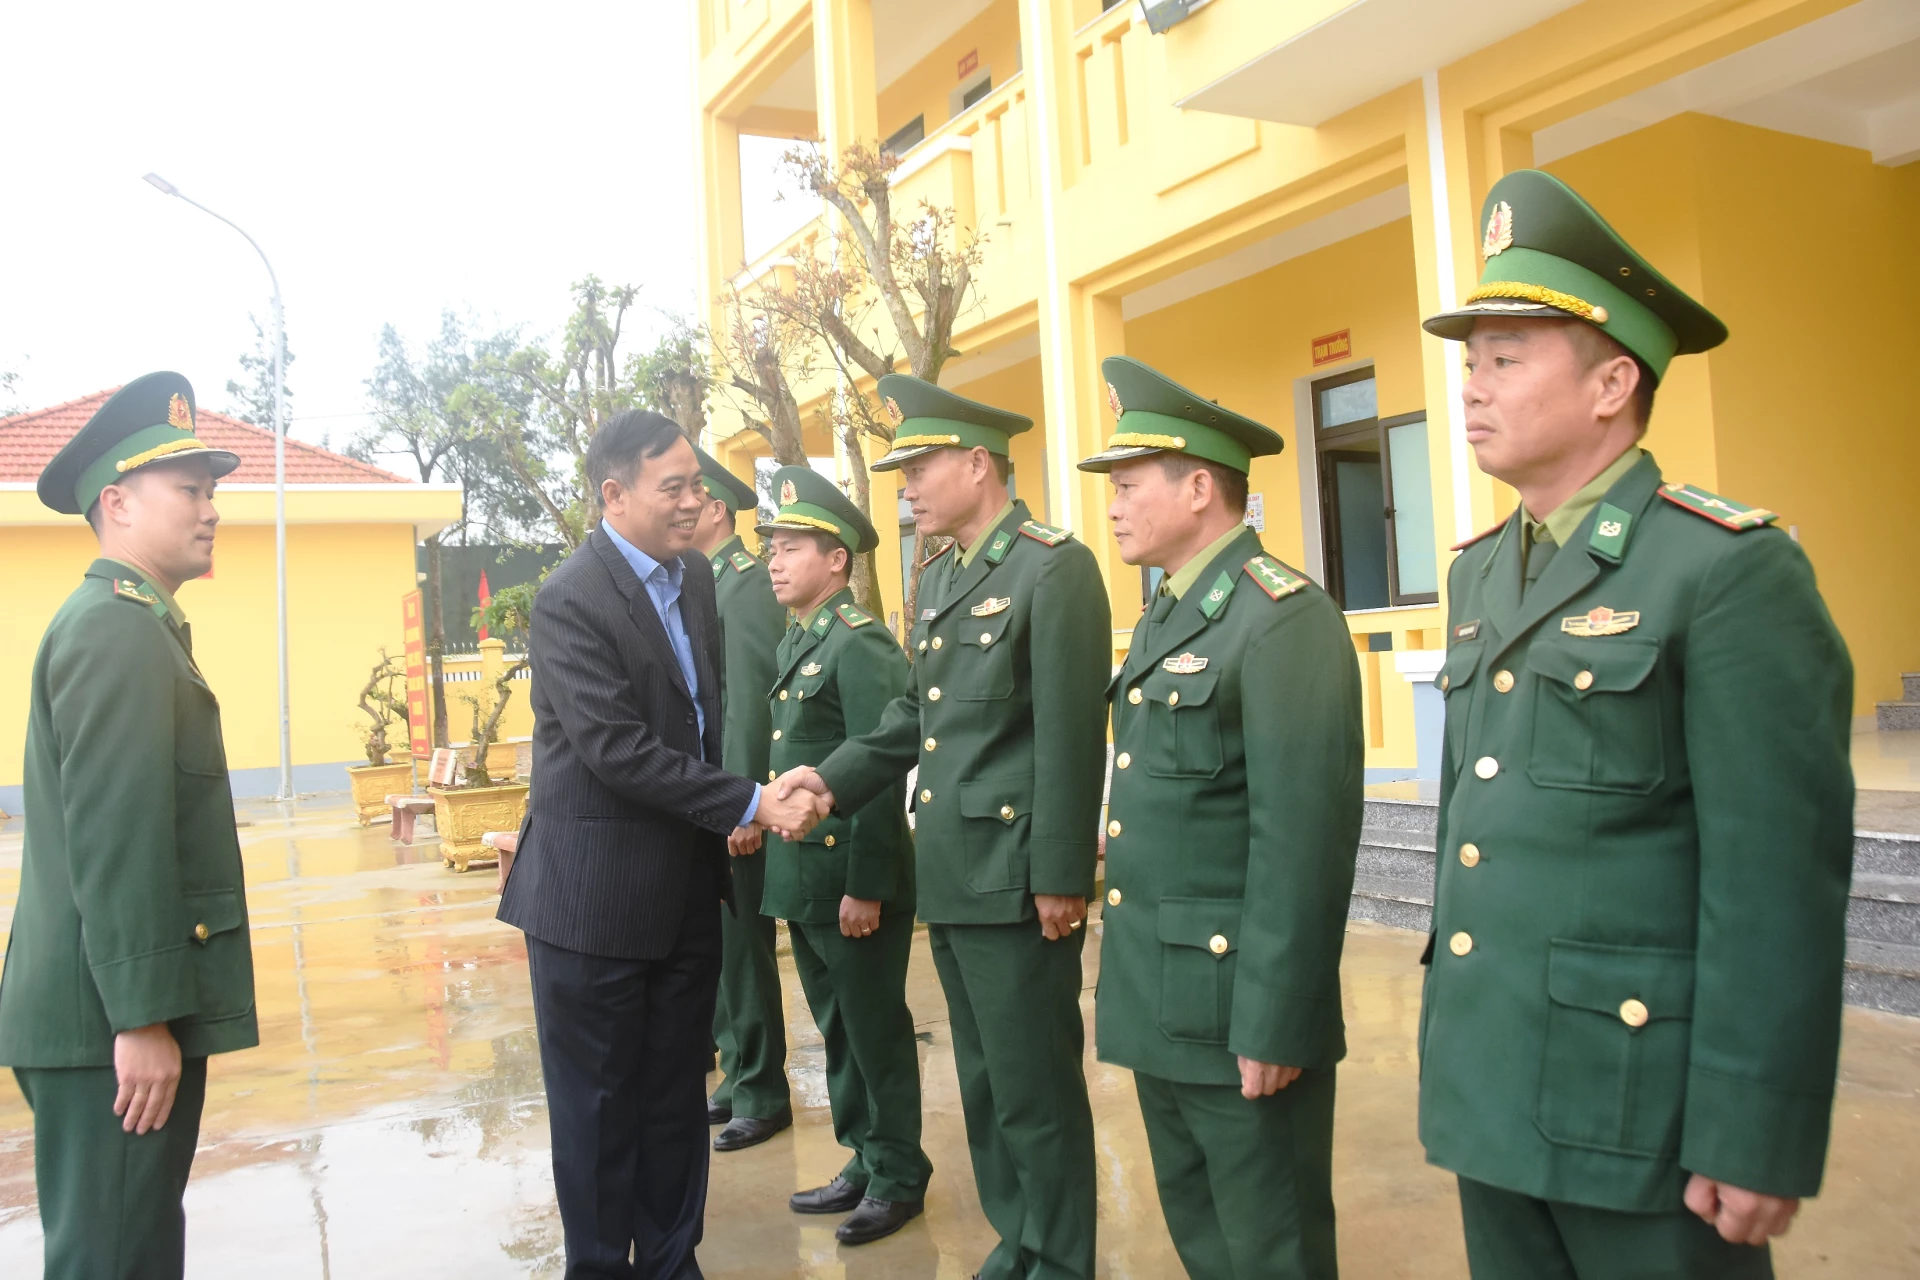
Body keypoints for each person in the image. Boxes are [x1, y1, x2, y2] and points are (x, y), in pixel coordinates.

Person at [1417, 169, 1854, 1279]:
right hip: (1492, 1084)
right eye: (1470, 363)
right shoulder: (1478, 573)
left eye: (1506, 359)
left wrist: (1755, 1126)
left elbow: (1775, 880)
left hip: (1639, 1108)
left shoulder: (1723, 568)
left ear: (1613, 382)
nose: (1471, 387)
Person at [775, 375, 1111, 1280]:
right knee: (987, 1084)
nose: (908, 488)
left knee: (1036, 1089)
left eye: (920, 468)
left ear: (978, 464)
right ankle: (1019, 1241)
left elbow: (1071, 734)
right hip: (957, 874)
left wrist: (1062, 875)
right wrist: (828, 780)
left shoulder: (1053, 567)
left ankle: (1060, 1259)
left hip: (1019, 877)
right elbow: (912, 721)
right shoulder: (946, 576)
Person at [496, 410, 824, 1279]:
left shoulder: (698, 580)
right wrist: (750, 801)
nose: (692, 501)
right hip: (591, 907)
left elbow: (699, 722)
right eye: (672, 487)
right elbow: (618, 750)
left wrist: (738, 803)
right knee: (601, 1118)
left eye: (696, 484)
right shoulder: (571, 600)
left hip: (682, 894)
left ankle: (674, 1265)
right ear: (615, 495)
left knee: (676, 1102)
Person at [1078, 357, 1364, 1279]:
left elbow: (1303, 843)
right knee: (1203, 1238)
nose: (1113, 508)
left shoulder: (1280, 618)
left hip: (1236, 1009)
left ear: (1199, 488)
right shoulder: (1168, 615)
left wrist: (1277, 1019)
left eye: (1128, 487)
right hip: (1161, 999)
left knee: (1270, 1246)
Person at [0, 372, 256, 1280]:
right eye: (189, 489)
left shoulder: (137, 622)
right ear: (117, 504)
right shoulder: (116, 630)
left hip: (100, 1013)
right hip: (108, 1024)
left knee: (131, 1250)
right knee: (110, 1259)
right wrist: (142, 1018)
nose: (211, 510)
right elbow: (117, 837)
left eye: (211, 491)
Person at [751, 464, 932, 1244]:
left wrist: (869, 884)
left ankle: (898, 1176)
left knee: (874, 1031)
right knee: (839, 1029)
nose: (775, 560)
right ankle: (865, 1156)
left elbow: (880, 769)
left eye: (792, 547)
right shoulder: (801, 638)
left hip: (850, 879)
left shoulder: (860, 644)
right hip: (807, 878)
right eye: (772, 548)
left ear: (836, 560)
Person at [689, 446, 793, 1152]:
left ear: (719, 510)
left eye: (690, 497)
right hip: (704, 798)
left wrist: (744, 802)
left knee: (744, 949)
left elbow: (751, 705)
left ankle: (761, 1089)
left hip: (734, 801)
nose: (679, 507)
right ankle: (735, 1074)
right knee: (721, 948)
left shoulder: (747, 586)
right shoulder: (701, 583)